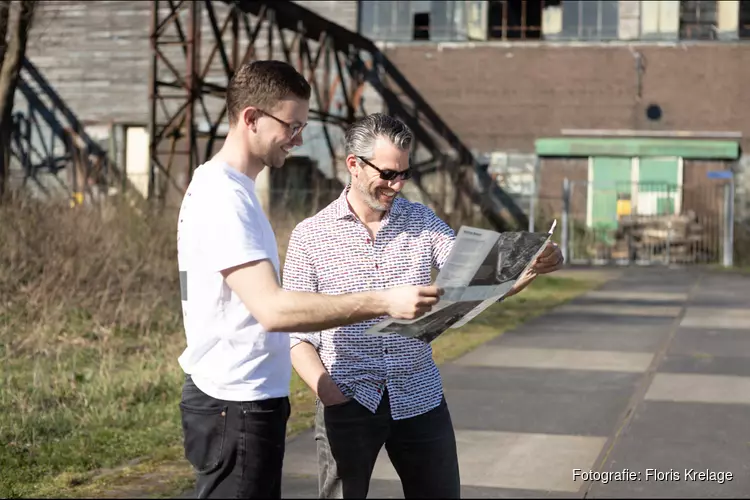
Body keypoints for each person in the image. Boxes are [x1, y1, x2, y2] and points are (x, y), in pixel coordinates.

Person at [175, 62, 443, 500]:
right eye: (292, 125)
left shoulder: (234, 191)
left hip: (247, 402)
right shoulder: (223, 197)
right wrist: (383, 302)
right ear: (251, 119)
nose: (299, 139)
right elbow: (275, 310)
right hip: (234, 404)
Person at [283, 113, 564, 499]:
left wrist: (536, 259)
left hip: (419, 396)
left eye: (404, 174)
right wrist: (330, 394)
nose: (396, 185)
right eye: (387, 173)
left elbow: (470, 279)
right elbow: (296, 335)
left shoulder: (422, 220)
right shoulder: (309, 237)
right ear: (353, 164)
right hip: (347, 400)